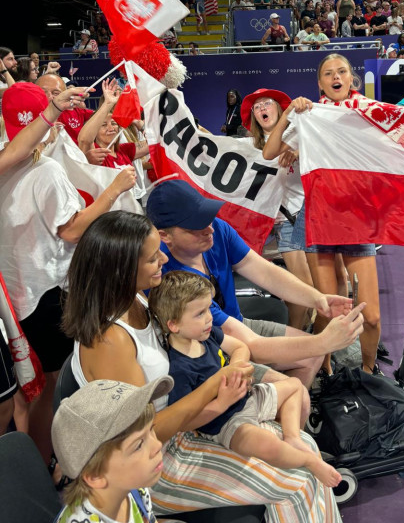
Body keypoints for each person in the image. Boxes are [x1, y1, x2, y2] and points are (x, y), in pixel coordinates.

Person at [62, 211, 343, 521]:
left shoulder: (138, 300)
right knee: (301, 479)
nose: (164, 261)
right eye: (153, 258)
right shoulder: (109, 339)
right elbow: (144, 433)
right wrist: (218, 386)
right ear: (123, 268)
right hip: (150, 463)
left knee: (303, 446)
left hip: (188, 426)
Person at [0, 83, 136, 461]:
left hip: (16, 294)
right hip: (47, 290)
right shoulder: (46, 171)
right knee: (51, 386)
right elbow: (73, 230)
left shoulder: (5, 164)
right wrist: (114, 190)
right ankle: (46, 463)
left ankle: (31, 465)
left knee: (25, 392)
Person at [146, 180, 363, 394]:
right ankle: (277, 420)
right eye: (196, 226)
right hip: (208, 348)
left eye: (208, 217)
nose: (209, 228)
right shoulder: (171, 280)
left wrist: (318, 299)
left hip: (236, 325)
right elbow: (250, 344)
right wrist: (324, 342)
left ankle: (287, 419)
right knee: (294, 380)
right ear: (165, 235)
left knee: (310, 358)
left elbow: (264, 271)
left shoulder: (218, 230)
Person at [149, 271, 341, 487]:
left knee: (295, 386)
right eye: (200, 313)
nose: (209, 318)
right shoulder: (179, 368)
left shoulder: (207, 335)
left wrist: (237, 369)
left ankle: (293, 437)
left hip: (248, 397)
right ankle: (309, 461)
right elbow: (187, 421)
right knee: (268, 445)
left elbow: (240, 347)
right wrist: (223, 402)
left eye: (208, 309)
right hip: (227, 423)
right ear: (174, 325)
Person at [262, 54, 385, 377]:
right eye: (328, 73)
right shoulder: (310, 115)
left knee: (371, 316)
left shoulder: (368, 112)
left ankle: (370, 374)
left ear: (351, 78)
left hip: (356, 219)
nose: (336, 76)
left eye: (342, 71)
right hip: (317, 219)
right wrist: (289, 112)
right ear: (320, 83)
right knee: (328, 311)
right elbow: (269, 152)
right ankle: (326, 372)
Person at [241, 88, 315, 330]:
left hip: (311, 216)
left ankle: (306, 339)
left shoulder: (299, 133)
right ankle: (296, 339)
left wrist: (298, 152)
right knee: (302, 288)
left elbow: (323, 147)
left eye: (267, 104)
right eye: (257, 106)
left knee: (316, 286)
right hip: (285, 221)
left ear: (279, 109)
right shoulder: (249, 146)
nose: (263, 109)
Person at [52, 377, 171, 523]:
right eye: (139, 445)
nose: (158, 445)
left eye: (151, 429)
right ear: (96, 476)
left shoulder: (135, 490)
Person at [78, 79, 149, 170]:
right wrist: (108, 103)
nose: (111, 128)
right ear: (95, 132)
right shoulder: (95, 154)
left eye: (114, 123)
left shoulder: (124, 150)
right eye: (103, 125)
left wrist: (138, 123)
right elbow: (84, 140)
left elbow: (153, 142)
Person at [36, 73, 95, 146]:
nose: (50, 97)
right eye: (43, 92)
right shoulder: (25, 118)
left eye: (56, 93)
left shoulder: (71, 111)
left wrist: (108, 103)